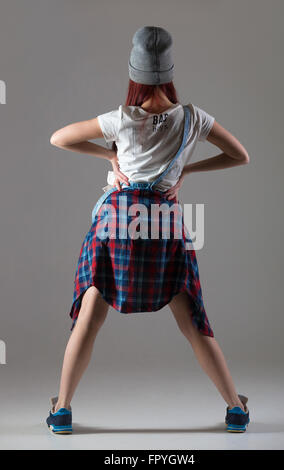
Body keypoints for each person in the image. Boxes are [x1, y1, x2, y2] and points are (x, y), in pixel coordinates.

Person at [46, 26, 250, 435]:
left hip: (116, 223)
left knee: (90, 314)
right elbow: (240, 156)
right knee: (192, 320)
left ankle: (63, 410)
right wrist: (187, 169)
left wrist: (110, 156)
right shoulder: (193, 118)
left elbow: (58, 138)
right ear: (170, 72)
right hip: (164, 222)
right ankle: (235, 410)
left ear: (134, 75)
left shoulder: (121, 119)